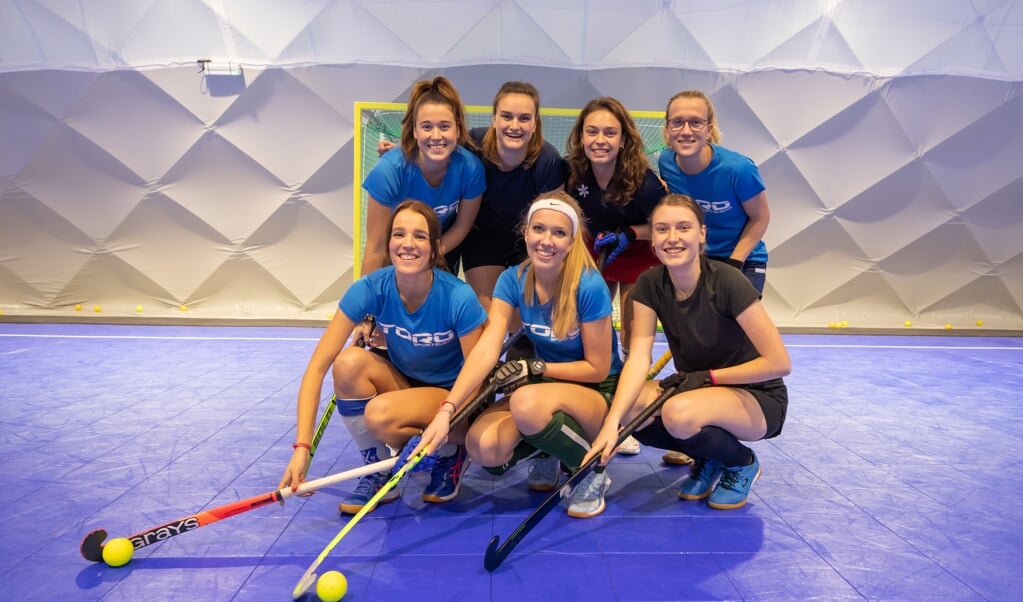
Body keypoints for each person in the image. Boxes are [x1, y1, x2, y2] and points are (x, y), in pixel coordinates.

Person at [412, 192, 624, 519]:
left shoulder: (588, 285)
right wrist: (447, 410)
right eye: (538, 229)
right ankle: (550, 448)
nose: (546, 240)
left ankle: (591, 471)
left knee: (525, 402)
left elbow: (598, 369)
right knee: (483, 446)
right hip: (548, 387)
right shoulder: (512, 280)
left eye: (559, 233)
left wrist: (536, 367)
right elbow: (487, 347)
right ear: (525, 233)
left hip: (598, 393)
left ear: (571, 241)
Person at [585, 194, 790, 511]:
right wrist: (612, 424)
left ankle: (742, 463)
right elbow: (639, 357)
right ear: (652, 239)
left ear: (702, 234)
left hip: (756, 396)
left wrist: (707, 378)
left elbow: (779, 363)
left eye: (683, 227)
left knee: (677, 414)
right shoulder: (649, 284)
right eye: (662, 229)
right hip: (697, 389)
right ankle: (709, 455)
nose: (673, 237)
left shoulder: (728, 281)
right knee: (629, 409)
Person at [279, 200, 487, 513]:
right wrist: (301, 450)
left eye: (419, 236)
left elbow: (479, 378)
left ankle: (451, 452)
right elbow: (316, 368)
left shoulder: (458, 297)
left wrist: (448, 416)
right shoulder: (370, 288)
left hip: (455, 400)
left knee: (379, 415)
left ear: (436, 247)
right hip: (407, 386)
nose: (407, 244)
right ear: (388, 243)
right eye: (399, 234)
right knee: (348, 363)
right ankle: (378, 469)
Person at [657, 89, 772, 466]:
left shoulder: (738, 169)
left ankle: (726, 435)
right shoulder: (666, 164)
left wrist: (733, 264)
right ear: (667, 129)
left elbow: (760, 219)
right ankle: (695, 428)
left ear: (710, 128)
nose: (686, 130)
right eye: (678, 122)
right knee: (690, 342)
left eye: (696, 122)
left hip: (741, 260)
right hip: (698, 258)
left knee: (724, 347)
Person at [566, 96, 667, 455]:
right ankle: (596, 406)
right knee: (591, 328)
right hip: (597, 249)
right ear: (580, 137)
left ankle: (628, 416)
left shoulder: (646, 182)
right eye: (592, 131)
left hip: (640, 249)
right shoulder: (573, 173)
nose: (600, 140)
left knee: (632, 335)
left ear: (624, 139)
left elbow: (663, 225)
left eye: (610, 132)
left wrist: (630, 233)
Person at [361, 76, 486, 276]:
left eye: (445, 126)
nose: (436, 136)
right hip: (395, 247)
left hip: (440, 246)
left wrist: (432, 253)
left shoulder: (471, 168)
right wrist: (364, 304)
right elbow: (376, 247)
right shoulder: (388, 170)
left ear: (458, 129)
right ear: (415, 131)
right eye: (427, 127)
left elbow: (462, 226)